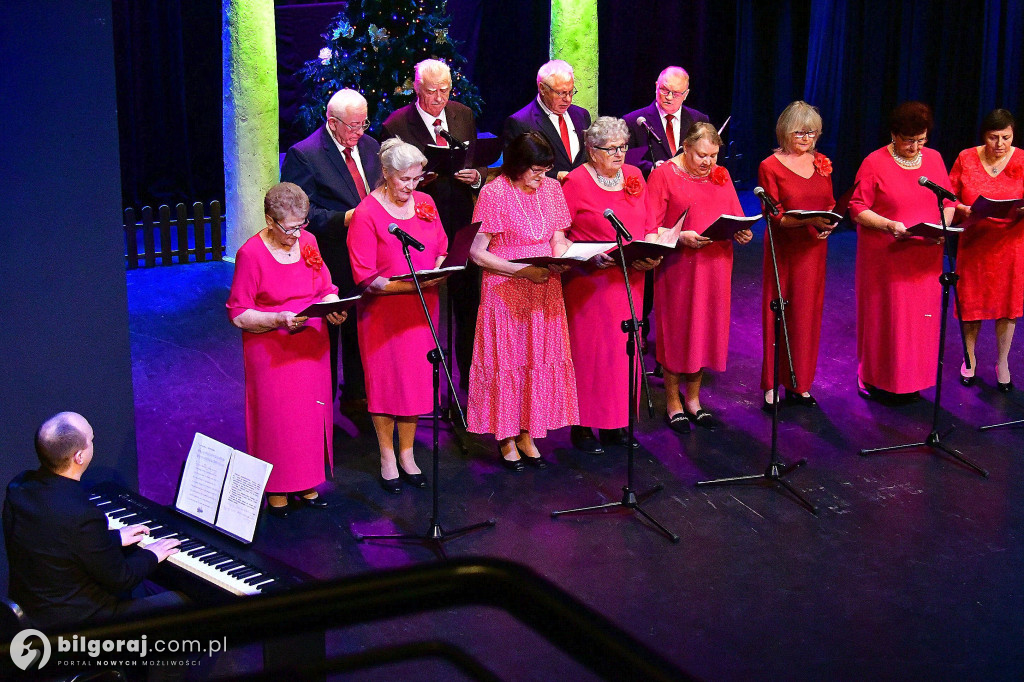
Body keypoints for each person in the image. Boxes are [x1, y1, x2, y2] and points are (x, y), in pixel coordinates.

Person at [226, 182, 346, 517]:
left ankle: (306, 482)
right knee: (276, 420)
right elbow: (238, 313)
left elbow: (326, 286)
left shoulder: (309, 241)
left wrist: (333, 305)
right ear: (269, 220)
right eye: (289, 227)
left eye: (301, 224)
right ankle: (277, 488)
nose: (296, 234)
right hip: (272, 348)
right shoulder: (251, 254)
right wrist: (278, 319)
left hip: (310, 344)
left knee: (308, 416)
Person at [3, 412, 183, 630]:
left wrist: (114, 537)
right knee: (183, 604)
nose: (93, 439)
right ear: (79, 457)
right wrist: (152, 553)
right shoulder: (82, 514)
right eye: (91, 439)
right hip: (79, 626)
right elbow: (122, 578)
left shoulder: (19, 487)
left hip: (36, 613)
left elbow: (55, 539)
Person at [468, 131, 579, 469]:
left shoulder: (552, 189)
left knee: (536, 357)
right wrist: (521, 272)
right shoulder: (494, 192)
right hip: (507, 288)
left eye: (545, 170)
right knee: (509, 360)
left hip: (544, 286)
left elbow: (558, 236)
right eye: (534, 170)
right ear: (516, 165)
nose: (540, 177)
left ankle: (528, 431)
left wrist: (561, 256)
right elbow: (476, 252)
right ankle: (506, 435)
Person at [347, 138, 448, 494]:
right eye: (404, 179)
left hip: (422, 311)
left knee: (416, 383)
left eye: (417, 178)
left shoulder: (426, 203)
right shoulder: (366, 214)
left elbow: (441, 248)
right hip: (384, 315)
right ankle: (387, 456)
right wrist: (412, 287)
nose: (412, 186)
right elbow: (365, 277)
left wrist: (439, 269)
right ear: (386, 174)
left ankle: (407, 453)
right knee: (387, 384)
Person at [381, 59, 488, 391]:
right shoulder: (396, 124)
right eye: (431, 91)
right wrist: (418, 181)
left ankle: (470, 387)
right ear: (416, 87)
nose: (439, 97)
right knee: (423, 307)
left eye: (445, 90)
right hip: (420, 226)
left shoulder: (463, 114)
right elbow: (386, 177)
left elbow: (477, 162)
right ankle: (417, 388)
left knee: (468, 305)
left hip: (460, 221)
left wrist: (477, 178)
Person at [561, 117, 661, 454]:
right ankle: (584, 425)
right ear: (591, 151)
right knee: (591, 354)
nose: (619, 154)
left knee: (624, 352)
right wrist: (585, 258)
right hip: (591, 283)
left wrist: (651, 252)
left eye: (622, 147)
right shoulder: (574, 182)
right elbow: (559, 236)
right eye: (610, 149)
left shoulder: (633, 176)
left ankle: (619, 422)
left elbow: (648, 223)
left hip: (629, 278)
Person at [646, 122, 753, 431]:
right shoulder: (664, 174)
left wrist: (741, 231)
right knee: (678, 331)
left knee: (705, 331)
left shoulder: (720, 175)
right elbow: (650, 228)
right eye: (702, 155)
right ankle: (672, 400)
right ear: (686, 148)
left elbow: (733, 214)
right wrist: (681, 236)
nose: (709, 163)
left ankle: (693, 399)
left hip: (716, 264)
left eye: (715, 156)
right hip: (680, 267)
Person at [281, 89, 383, 404]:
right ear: (332, 121)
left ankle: (357, 398)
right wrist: (347, 218)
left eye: (364, 124)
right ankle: (321, 408)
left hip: (369, 257)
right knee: (331, 334)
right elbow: (300, 213)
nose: (359, 132)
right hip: (331, 258)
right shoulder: (305, 154)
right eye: (352, 126)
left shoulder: (370, 145)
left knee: (362, 331)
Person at [849, 101, 955, 402]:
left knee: (920, 323)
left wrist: (942, 226)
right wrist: (888, 224)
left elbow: (948, 202)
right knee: (889, 319)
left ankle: (913, 381)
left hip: (924, 256)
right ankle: (873, 378)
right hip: (888, 255)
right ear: (894, 135)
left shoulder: (933, 159)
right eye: (910, 140)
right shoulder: (874, 161)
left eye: (921, 140)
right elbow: (857, 208)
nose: (916, 147)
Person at [757, 101, 836, 411]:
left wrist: (828, 222)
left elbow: (828, 203)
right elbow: (775, 216)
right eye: (799, 132)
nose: (806, 139)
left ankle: (800, 383)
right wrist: (810, 221)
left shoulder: (821, 163)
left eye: (811, 133)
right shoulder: (770, 166)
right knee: (779, 312)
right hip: (785, 250)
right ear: (784, 132)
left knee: (807, 314)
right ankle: (772, 383)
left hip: (814, 248)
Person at [949, 108, 1024, 392]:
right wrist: (961, 208)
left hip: (1011, 244)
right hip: (975, 242)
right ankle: (969, 359)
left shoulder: (1022, 159)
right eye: (994, 138)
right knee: (971, 304)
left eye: (1006, 137)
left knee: (1008, 307)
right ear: (984, 136)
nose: (1000, 144)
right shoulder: (966, 157)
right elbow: (948, 195)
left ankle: (1002, 362)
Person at [502, 60, 592, 181]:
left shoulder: (582, 115)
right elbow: (514, 168)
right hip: (543, 193)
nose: (568, 99)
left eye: (571, 92)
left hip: (581, 191)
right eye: (561, 93)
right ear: (542, 89)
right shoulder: (520, 122)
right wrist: (556, 175)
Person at [623, 66, 710, 179]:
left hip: (689, 188)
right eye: (664, 90)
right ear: (656, 87)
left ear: (686, 94)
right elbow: (626, 159)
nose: (669, 97)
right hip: (651, 187)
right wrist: (651, 167)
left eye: (676, 93)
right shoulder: (632, 121)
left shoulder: (699, 120)